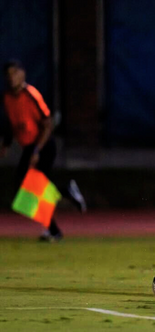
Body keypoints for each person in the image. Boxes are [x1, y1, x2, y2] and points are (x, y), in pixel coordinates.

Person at [0, 60, 86, 242]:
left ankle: (56, 223)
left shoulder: (30, 94)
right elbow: (11, 125)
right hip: (30, 147)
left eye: (15, 72)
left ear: (23, 74)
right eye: (9, 73)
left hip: (44, 146)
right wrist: (6, 145)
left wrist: (36, 151)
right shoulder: (7, 98)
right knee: (26, 192)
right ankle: (61, 206)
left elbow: (48, 124)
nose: (12, 77)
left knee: (31, 191)